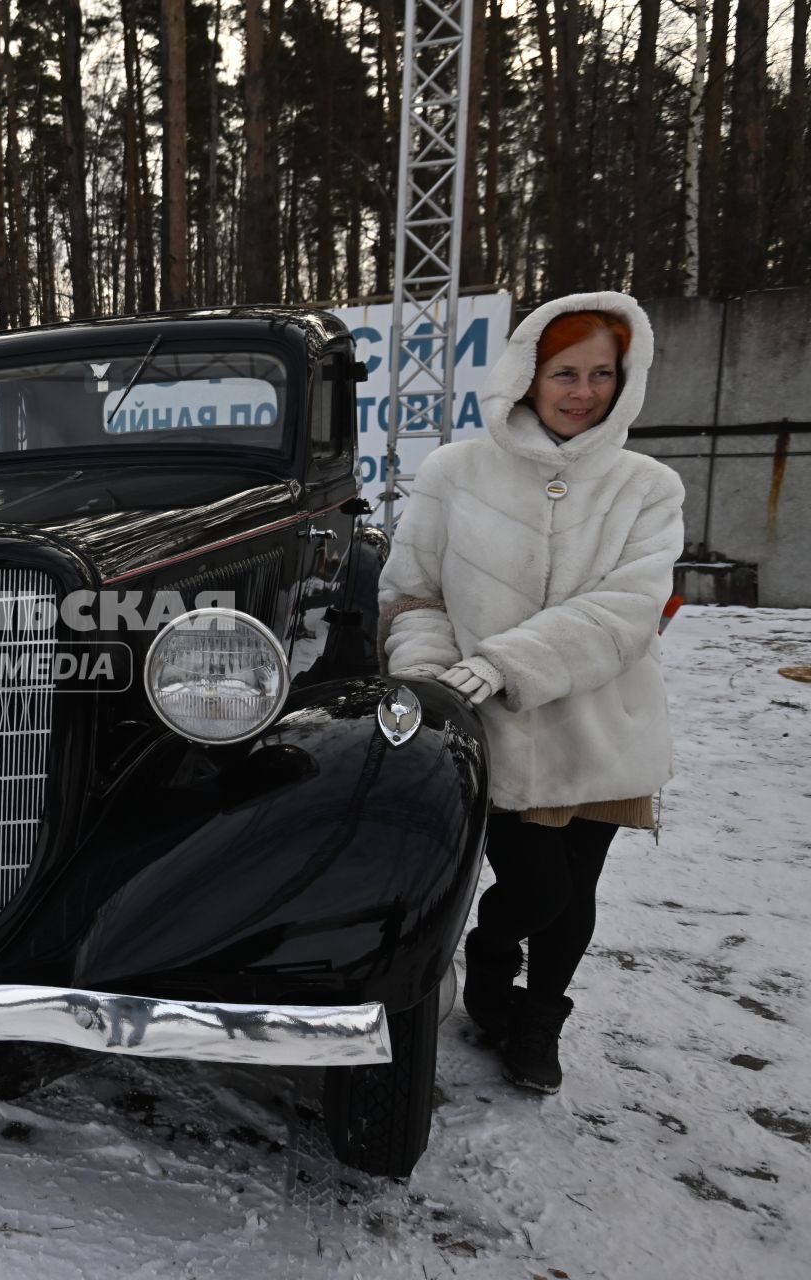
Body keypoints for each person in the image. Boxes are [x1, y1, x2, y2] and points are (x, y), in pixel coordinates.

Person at [377, 291, 685, 1095]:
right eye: (564, 373)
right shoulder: (455, 471)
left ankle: (538, 1019)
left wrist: (508, 661)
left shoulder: (647, 487)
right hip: (492, 730)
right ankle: (489, 963)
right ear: (526, 375)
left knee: (574, 896)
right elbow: (414, 597)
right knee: (537, 886)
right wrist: (435, 683)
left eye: (601, 374)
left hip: (603, 729)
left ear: (627, 380)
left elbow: (627, 612)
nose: (582, 391)